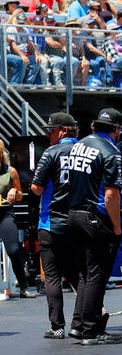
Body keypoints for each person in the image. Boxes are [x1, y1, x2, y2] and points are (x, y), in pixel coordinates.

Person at [67, 108, 122, 346]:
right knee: (97, 276)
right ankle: (92, 331)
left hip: (74, 214)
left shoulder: (78, 145)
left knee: (85, 274)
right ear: (117, 129)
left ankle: (79, 325)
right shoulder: (111, 151)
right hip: (95, 217)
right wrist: (117, 226)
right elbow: (111, 195)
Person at [30, 112, 80, 339]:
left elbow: (36, 189)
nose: (48, 135)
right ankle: (87, 319)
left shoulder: (51, 153)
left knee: (52, 277)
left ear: (62, 131)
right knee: (80, 275)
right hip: (79, 221)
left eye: (50, 131)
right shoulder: (85, 151)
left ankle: (57, 327)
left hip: (51, 222)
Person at [0, 139, 36, 298]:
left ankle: (23, 287)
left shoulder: (10, 171)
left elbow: (21, 196)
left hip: (5, 212)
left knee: (14, 250)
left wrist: (15, 191)